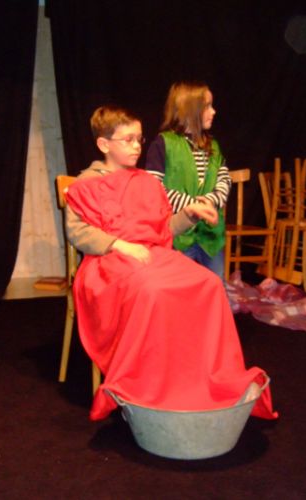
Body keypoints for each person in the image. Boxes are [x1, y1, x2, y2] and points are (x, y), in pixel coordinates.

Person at [65, 105, 277, 422]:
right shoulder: (85, 183)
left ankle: (197, 373)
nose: (137, 146)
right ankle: (148, 380)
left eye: (139, 138)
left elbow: (162, 229)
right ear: (104, 144)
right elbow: (78, 232)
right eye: (127, 140)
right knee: (152, 291)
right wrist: (119, 244)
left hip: (151, 255)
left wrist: (189, 213)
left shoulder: (147, 182)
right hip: (107, 263)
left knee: (208, 284)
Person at [146, 81, 231, 281]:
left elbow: (224, 179)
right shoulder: (164, 144)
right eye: (207, 106)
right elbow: (153, 187)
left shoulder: (213, 146)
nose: (214, 111)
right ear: (190, 109)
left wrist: (210, 201)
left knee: (215, 284)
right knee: (179, 287)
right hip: (177, 236)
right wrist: (192, 206)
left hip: (209, 237)